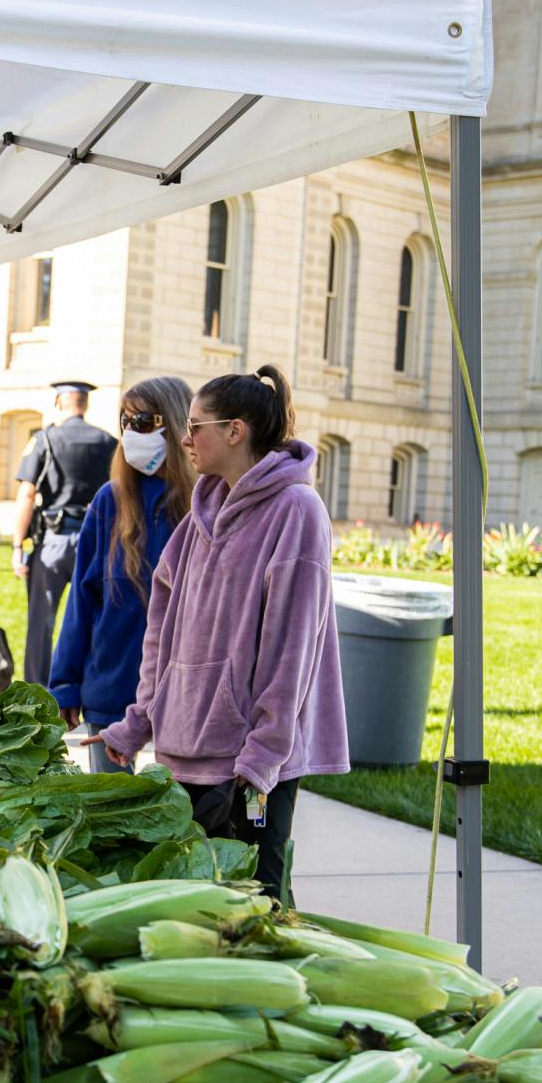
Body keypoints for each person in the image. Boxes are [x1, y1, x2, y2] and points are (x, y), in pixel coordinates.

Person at [92, 367, 348, 901]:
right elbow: (163, 633)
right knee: (199, 902)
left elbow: (294, 647)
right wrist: (137, 722)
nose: (184, 438)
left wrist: (263, 755)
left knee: (258, 897)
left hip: (250, 764)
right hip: (185, 746)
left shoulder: (297, 511)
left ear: (236, 431)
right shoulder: (199, 516)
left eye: (196, 426)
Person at [48, 376, 198, 771]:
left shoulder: (205, 504)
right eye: (125, 420)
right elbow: (81, 601)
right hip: (111, 688)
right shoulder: (109, 501)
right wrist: (65, 684)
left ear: (176, 424)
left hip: (184, 698)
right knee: (110, 819)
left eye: (143, 420)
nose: (131, 430)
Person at [13, 379, 116, 687]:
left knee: (41, 622)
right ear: (85, 404)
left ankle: (38, 690)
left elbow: (27, 494)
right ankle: (84, 687)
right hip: (95, 543)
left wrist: (18, 545)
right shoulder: (108, 442)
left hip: (54, 542)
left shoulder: (45, 439)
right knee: (93, 620)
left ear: (60, 403)